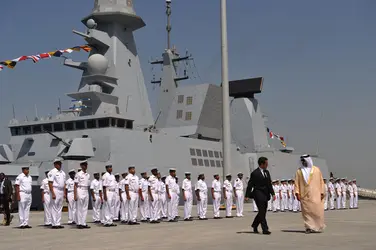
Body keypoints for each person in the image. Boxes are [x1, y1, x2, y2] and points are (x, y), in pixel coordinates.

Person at [294, 154, 325, 234]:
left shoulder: (316, 170)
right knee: (306, 213)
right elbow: (296, 183)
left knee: (317, 212)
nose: (303, 162)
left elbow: (321, 182)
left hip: (315, 194)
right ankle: (308, 227)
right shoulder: (299, 171)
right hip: (304, 196)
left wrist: (322, 192)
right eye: (302, 161)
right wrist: (297, 193)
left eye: (304, 161)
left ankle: (317, 226)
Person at [245, 156, 275, 235]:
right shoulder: (255, 173)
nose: (267, 165)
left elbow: (269, 184)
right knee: (262, 211)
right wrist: (247, 195)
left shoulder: (267, 172)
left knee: (263, 212)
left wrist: (273, 193)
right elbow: (250, 185)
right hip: (258, 194)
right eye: (266, 163)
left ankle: (254, 225)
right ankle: (265, 229)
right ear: (262, 164)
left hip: (265, 194)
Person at [48, 158, 66, 229]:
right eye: (58, 163)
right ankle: (54, 223)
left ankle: (58, 223)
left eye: (60, 164)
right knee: (54, 207)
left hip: (61, 191)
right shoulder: (52, 172)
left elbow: (64, 183)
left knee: (59, 207)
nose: (60, 165)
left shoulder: (63, 173)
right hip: (55, 190)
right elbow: (50, 183)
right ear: (55, 164)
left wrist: (64, 192)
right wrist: (52, 193)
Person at [74, 160, 90, 229]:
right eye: (84, 165)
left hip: (86, 190)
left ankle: (83, 223)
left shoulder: (88, 175)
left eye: (86, 165)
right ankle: (79, 223)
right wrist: (75, 195)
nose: (85, 166)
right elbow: (75, 185)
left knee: (85, 208)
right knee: (79, 208)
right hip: (80, 189)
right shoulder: (78, 174)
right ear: (81, 166)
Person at [102, 162, 117, 227]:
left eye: (111, 167)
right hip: (108, 192)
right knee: (107, 207)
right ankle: (106, 221)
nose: (111, 168)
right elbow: (104, 186)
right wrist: (105, 195)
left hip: (113, 192)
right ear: (106, 168)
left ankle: (110, 221)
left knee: (112, 207)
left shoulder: (112, 176)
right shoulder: (105, 175)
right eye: (109, 167)